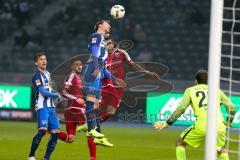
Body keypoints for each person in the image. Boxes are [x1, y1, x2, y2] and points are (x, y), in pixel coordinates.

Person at [77, 37, 159, 128]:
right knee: (97, 107)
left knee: (111, 112)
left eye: (110, 43)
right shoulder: (99, 56)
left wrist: (147, 72)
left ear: (113, 43)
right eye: (107, 44)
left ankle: (90, 125)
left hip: (118, 87)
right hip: (104, 85)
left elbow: (132, 65)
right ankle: (87, 122)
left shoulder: (121, 53)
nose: (109, 46)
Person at [153, 70, 236, 160]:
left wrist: (168, 123)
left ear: (196, 81)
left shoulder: (190, 90)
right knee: (222, 150)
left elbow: (181, 108)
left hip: (202, 125)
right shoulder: (217, 90)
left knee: (180, 143)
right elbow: (232, 107)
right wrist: (228, 121)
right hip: (219, 125)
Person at [83, 20, 125, 147]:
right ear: (100, 25)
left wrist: (113, 78)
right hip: (93, 70)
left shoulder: (102, 40)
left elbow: (102, 63)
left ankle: (97, 136)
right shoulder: (96, 36)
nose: (110, 26)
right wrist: (96, 68)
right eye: (108, 24)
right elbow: (95, 55)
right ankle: (91, 130)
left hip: (99, 70)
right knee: (91, 100)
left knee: (96, 104)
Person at [57, 59, 96, 160]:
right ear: (72, 67)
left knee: (70, 139)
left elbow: (77, 94)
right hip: (76, 109)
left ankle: (51, 131)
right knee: (91, 133)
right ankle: (93, 158)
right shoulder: (72, 76)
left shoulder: (78, 78)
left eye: (80, 65)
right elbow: (64, 92)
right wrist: (76, 98)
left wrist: (91, 99)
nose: (79, 66)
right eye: (76, 65)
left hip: (70, 111)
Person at [28, 52, 61, 160]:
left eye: (45, 59)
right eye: (41, 59)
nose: (44, 61)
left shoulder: (47, 74)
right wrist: (56, 95)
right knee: (42, 130)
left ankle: (46, 158)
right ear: (36, 63)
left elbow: (50, 89)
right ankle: (31, 156)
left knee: (56, 133)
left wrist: (58, 93)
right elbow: (43, 92)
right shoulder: (36, 76)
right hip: (42, 106)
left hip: (51, 107)